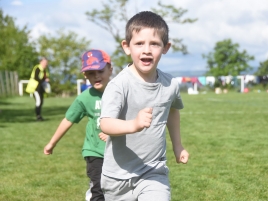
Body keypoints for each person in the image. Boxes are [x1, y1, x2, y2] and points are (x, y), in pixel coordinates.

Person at [99, 11, 189, 201]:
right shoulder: (118, 85)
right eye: (139, 43)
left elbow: (172, 111)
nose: (146, 50)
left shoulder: (170, 84)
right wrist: (134, 125)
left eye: (154, 44)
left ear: (165, 47)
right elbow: (105, 124)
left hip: (153, 171)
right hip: (117, 178)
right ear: (126, 47)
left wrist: (178, 146)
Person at [44, 49, 113, 201]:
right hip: (95, 151)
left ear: (110, 69)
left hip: (119, 151)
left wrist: (114, 131)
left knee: (118, 191)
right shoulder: (84, 98)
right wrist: (51, 143)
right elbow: (68, 120)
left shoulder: (121, 91)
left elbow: (134, 119)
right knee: (99, 189)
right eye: (90, 73)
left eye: (100, 71)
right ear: (85, 75)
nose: (96, 76)